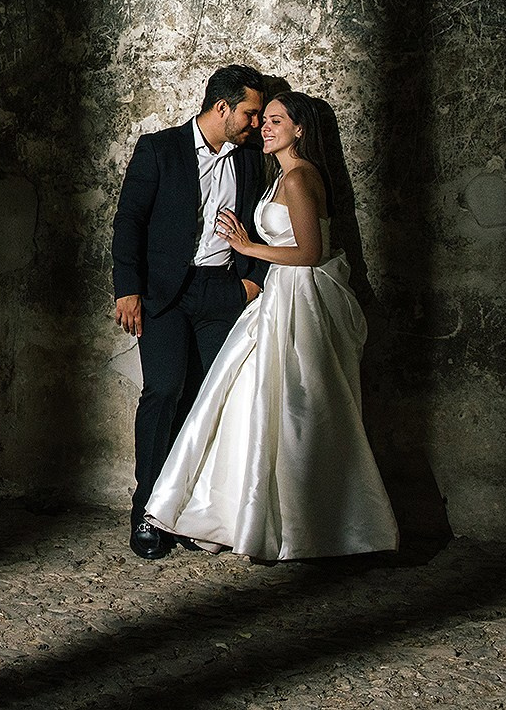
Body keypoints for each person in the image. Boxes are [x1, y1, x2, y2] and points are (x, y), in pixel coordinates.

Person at [144, 91, 399, 560]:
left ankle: (312, 526)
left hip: (297, 300)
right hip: (279, 296)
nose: (265, 127)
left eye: (277, 120)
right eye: (263, 119)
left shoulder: (301, 178)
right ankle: (245, 515)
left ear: (300, 129)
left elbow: (310, 253)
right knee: (255, 403)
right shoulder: (277, 175)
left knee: (295, 407)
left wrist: (248, 249)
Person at [111, 64, 272, 560]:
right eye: (249, 113)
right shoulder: (159, 149)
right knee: (164, 392)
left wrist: (249, 284)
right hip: (164, 295)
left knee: (211, 401)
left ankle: (196, 512)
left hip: (220, 293)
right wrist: (127, 289)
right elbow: (129, 222)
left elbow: (258, 224)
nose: (255, 124)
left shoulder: (248, 160)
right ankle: (148, 513)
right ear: (221, 108)